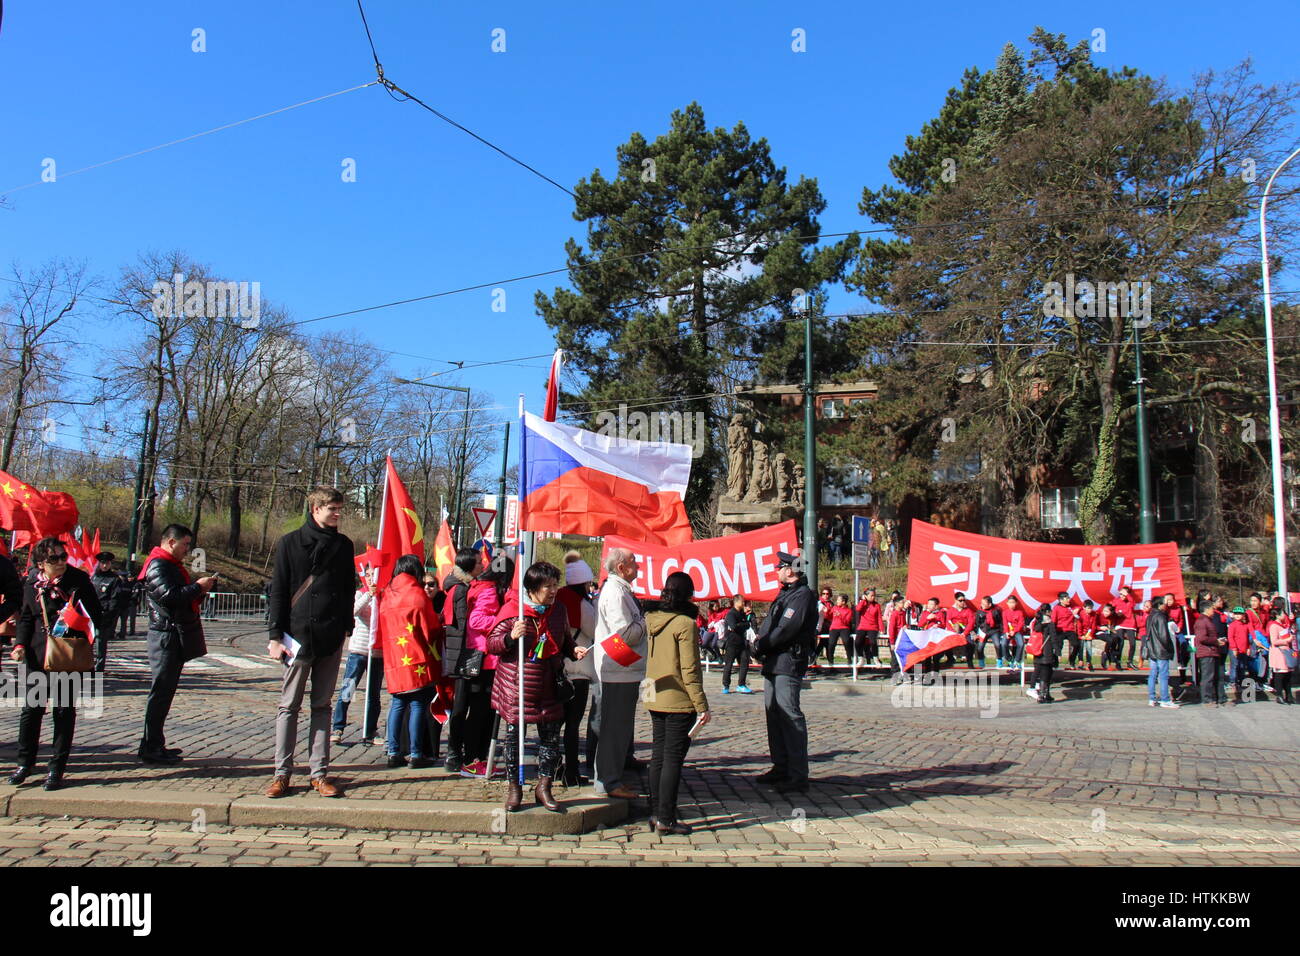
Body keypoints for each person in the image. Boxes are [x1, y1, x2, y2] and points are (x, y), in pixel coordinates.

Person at [264, 487, 356, 799]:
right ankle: (282, 773)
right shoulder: (290, 542)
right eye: (332, 508)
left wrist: (346, 627)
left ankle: (319, 773)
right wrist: (275, 636)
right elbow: (278, 591)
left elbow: (347, 590)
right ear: (315, 509)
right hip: (298, 636)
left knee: (322, 706)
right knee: (288, 706)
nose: (338, 513)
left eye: (339, 508)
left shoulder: (344, 545)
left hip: (330, 637)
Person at [487, 561, 586, 812]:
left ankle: (544, 786)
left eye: (555, 585)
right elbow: (492, 643)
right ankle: (514, 789)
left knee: (551, 739)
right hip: (517, 685)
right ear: (532, 588)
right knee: (514, 740)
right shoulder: (513, 611)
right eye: (547, 586)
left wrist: (573, 651)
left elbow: (563, 641)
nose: (553, 591)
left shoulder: (558, 610)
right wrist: (510, 638)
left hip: (549, 685)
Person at [9, 537, 103, 790]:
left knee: (63, 711)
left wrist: (76, 616)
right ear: (41, 562)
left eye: (63, 556)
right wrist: (19, 645)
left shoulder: (78, 580)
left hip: (67, 653)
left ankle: (56, 768)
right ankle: (24, 763)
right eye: (54, 559)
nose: (61, 562)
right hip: (38, 654)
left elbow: (97, 613)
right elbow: (26, 617)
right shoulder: (31, 583)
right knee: (32, 709)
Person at [138, 524, 217, 763]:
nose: (187, 550)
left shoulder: (168, 565)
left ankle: (154, 743)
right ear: (171, 542)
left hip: (170, 632)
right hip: (165, 634)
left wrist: (197, 591)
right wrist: (198, 587)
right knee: (160, 692)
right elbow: (170, 596)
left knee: (164, 693)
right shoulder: (158, 565)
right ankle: (151, 747)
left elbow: (176, 594)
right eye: (185, 544)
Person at [643, 571, 711, 834]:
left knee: (658, 755)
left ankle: (655, 812)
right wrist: (701, 704)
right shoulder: (685, 624)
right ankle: (666, 818)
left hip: (653, 691)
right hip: (677, 696)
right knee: (672, 758)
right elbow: (690, 669)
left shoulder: (651, 618)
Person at [751, 551, 817, 793]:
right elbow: (772, 624)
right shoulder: (786, 593)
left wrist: (762, 644)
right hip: (774, 661)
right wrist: (759, 645)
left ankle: (797, 774)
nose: (777, 570)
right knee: (774, 713)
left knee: (789, 715)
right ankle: (781, 765)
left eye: (780, 567)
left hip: (788, 660)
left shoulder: (802, 596)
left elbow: (786, 628)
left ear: (790, 571)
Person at [380, 554, 445, 768]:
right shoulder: (417, 594)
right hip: (417, 657)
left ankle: (393, 751)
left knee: (397, 703)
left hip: (394, 658)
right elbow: (430, 629)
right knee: (418, 703)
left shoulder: (387, 593)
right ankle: (416, 754)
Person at [592, 548, 647, 800]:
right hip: (618, 668)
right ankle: (608, 781)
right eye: (634, 562)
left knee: (619, 727)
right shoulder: (615, 593)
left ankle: (610, 778)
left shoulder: (620, 590)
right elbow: (623, 635)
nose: (639, 566)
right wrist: (647, 622)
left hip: (624, 668)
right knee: (615, 728)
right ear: (622, 567)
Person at [458, 556, 514, 778]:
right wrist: (502, 623)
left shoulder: (485, 588)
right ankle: (472, 759)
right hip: (484, 659)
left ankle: (480, 758)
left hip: (486, 657)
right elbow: (477, 620)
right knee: (480, 712)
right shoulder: (489, 591)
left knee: (486, 712)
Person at [555, 551, 597, 787]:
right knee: (572, 724)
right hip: (578, 669)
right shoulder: (582, 604)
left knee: (553, 724)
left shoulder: (556, 598)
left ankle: (552, 766)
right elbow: (596, 631)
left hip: (558, 669)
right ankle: (571, 771)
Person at [442, 547, 484, 772]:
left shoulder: (463, 586)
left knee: (464, 706)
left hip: (465, 655)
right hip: (464, 656)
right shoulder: (460, 589)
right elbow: (461, 626)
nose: (483, 565)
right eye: (479, 562)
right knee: (460, 708)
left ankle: (460, 752)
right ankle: (454, 752)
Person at [330, 579, 381, 745]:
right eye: (368, 574)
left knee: (374, 693)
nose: (372, 577)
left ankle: (371, 730)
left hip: (377, 652)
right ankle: (338, 727)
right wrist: (368, 595)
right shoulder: (360, 593)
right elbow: (354, 611)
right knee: (348, 689)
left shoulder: (384, 594)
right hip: (358, 650)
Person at [90, 552, 130, 672]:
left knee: (100, 643)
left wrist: (108, 614)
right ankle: (88, 665)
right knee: (89, 642)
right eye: (102, 563)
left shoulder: (114, 579)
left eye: (107, 563)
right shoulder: (94, 577)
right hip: (91, 614)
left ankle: (99, 667)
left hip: (104, 615)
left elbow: (115, 599)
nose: (104, 565)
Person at [1142, 594, 1178, 708]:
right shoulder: (1161, 616)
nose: (1166, 604)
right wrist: (1170, 647)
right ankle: (1165, 699)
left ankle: (1152, 698)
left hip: (1152, 648)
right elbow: (1163, 636)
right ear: (1160, 605)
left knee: (1153, 674)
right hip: (1161, 649)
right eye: (1164, 602)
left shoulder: (1150, 616)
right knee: (1163, 675)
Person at [1193, 598, 1226, 708]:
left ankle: (1219, 698)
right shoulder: (1202, 621)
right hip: (1206, 652)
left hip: (1213, 651)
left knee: (1217, 676)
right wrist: (1216, 641)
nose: (1214, 611)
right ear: (1206, 609)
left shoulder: (1207, 620)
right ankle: (1206, 700)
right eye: (1212, 609)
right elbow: (1202, 638)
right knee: (1207, 677)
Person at [720, 594, 753, 694]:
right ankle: (726, 685)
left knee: (744, 662)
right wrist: (742, 625)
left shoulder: (742, 614)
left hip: (742, 643)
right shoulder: (731, 614)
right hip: (732, 643)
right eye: (742, 601)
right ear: (736, 602)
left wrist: (743, 625)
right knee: (729, 665)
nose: (743, 603)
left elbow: (747, 625)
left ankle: (741, 684)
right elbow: (734, 626)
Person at [1026, 604, 1058, 703]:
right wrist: (1057, 651)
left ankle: (1043, 694)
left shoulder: (1037, 621)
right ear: (1048, 612)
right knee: (1047, 672)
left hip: (1037, 649)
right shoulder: (1050, 623)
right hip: (1047, 651)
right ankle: (1044, 694)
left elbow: (1034, 629)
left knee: (1038, 670)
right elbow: (1053, 638)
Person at [1266, 606, 1294, 705]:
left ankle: (1289, 695)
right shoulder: (1274, 626)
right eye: (1282, 613)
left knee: (1287, 675)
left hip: (1285, 653)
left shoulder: (1282, 625)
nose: (1284, 615)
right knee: (1280, 675)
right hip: (1279, 654)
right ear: (1277, 615)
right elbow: (1274, 641)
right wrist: (1287, 640)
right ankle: (1279, 695)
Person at [1226, 606, 1253, 704]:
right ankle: (1233, 682)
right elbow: (1230, 637)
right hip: (1235, 649)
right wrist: (1234, 648)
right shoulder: (1232, 625)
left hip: (1244, 649)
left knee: (1242, 666)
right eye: (1236, 614)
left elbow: (1247, 638)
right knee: (1234, 665)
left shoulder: (1245, 625)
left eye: (1239, 614)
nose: (1237, 615)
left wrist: (1249, 647)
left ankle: (1241, 682)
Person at [1050, 592, 1081, 669]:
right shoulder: (1056, 608)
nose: (1068, 600)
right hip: (1060, 629)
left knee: (1077, 644)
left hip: (1070, 630)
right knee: (1059, 646)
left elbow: (1080, 608)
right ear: (1061, 600)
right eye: (1066, 598)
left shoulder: (1071, 607)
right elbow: (1053, 621)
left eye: (1068, 598)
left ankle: (1072, 659)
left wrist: (1076, 611)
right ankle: (1055, 661)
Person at [1114, 586, 1138, 670]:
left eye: (1124, 594)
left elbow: (1133, 603)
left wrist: (1127, 595)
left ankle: (1130, 661)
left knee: (1133, 643)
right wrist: (1116, 613)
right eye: (1120, 594)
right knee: (1120, 643)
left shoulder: (1130, 601)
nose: (1122, 596)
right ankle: (1118, 661)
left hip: (1130, 624)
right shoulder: (1116, 600)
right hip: (1120, 623)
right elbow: (1110, 608)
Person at [855, 588, 882, 666]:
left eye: (874, 596)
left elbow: (879, 617)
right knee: (857, 642)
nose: (873, 597)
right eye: (871, 595)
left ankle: (876, 658)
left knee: (873, 642)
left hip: (873, 627)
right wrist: (863, 601)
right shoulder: (863, 603)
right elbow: (857, 609)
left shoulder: (877, 605)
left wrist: (881, 628)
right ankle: (861, 658)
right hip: (862, 626)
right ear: (866, 596)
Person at [975, 595, 1002, 669]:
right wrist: (977, 632)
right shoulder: (979, 612)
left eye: (984, 604)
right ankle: (981, 660)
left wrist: (1001, 630)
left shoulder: (996, 610)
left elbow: (1000, 621)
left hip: (994, 630)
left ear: (989, 604)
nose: (981, 605)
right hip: (984, 631)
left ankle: (999, 660)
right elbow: (977, 623)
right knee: (980, 646)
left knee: (997, 644)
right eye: (981, 603)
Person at [1002, 595, 1027, 672]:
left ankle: (1017, 660)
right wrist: (1006, 632)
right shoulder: (1005, 612)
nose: (1011, 604)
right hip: (1008, 631)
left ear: (1016, 603)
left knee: (1021, 644)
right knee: (1003, 644)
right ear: (1007, 603)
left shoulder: (1019, 612)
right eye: (1010, 602)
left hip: (1017, 632)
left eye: (1013, 602)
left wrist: (1015, 631)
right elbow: (1005, 623)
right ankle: (1009, 659)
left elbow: (1021, 623)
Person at [827, 594, 853, 667]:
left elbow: (847, 621)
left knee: (846, 642)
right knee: (831, 644)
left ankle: (849, 658)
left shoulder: (848, 611)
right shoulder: (834, 607)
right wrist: (827, 611)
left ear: (843, 602)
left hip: (844, 628)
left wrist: (840, 615)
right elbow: (829, 616)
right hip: (834, 628)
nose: (837, 601)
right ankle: (830, 661)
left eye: (839, 600)